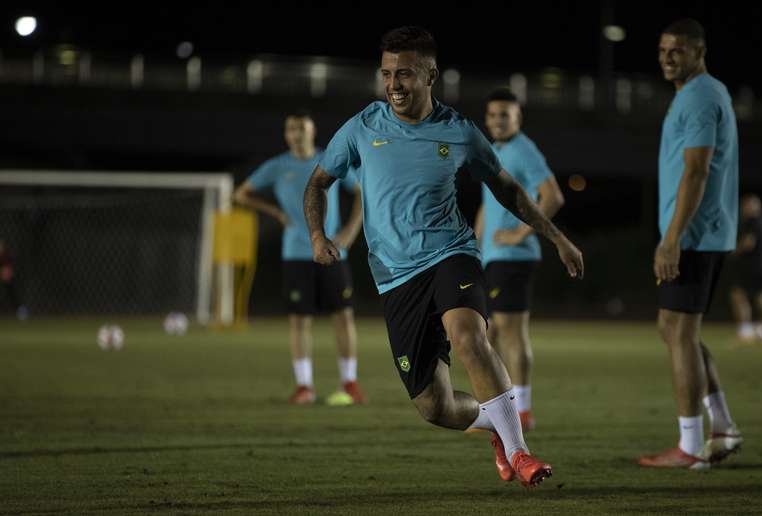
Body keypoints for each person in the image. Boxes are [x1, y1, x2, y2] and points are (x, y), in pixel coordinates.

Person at [304, 26, 583, 487]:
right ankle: (496, 424)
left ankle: (521, 453)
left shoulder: (459, 132)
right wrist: (317, 235)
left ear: (431, 74)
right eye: (387, 73)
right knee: (433, 407)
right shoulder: (362, 127)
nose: (394, 84)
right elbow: (317, 183)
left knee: (470, 336)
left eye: (406, 74)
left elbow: (508, 189)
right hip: (395, 277)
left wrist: (556, 237)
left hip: (453, 253)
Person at [638, 19, 742, 469]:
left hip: (695, 235)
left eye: (676, 50)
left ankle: (690, 445)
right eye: (662, 49)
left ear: (699, 51)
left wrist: (673, 239)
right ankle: (721, 426)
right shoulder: (700, 93)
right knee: (675, 328)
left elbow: (697, 171)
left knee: (679, 332)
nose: (666, 57)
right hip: (704, 233)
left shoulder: (700, 97)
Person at [234, 111, 366, 405]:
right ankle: (304, 386)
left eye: (301, 129)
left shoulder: (329, 159)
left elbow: (360, 192)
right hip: (295, 253)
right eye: (291, 129)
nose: (296, 135)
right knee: (299, 320)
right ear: (286, 134)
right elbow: (241, 194)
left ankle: (350, 383)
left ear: (312, 131)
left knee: (343, 316)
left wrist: (350, 232)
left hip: (332, 252)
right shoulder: (277, 166)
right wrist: (277, 213)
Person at [474, 88, 565, 432]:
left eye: (505, 115)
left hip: (514, 257)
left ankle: (523, 412)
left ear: (518, 118)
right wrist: (475, 243)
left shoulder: (523, 150)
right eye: (493, 115)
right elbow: (488, 204)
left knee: (511, 334)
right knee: (491, 333)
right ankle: (498, 409)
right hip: (494, 258)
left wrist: (520, 234)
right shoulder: (495, 151)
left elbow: (553, 196)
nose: (498, 120)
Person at [727, 194, 762, 344]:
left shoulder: (752, 222)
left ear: (755, 207)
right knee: (757, 298)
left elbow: (749, 243)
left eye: (748, 205)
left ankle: (748, 331)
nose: (745, 208)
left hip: (754, 268)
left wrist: (734, 251)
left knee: (744, 296)